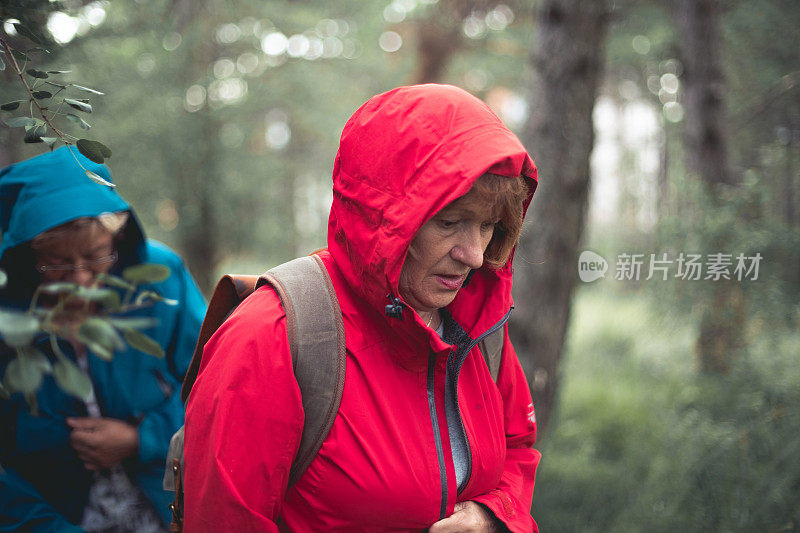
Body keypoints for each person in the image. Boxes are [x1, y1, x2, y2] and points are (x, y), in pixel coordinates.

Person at [184, 83, 541, 532]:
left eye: (488, 226)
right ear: (384, 215)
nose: (473, 254)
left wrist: (493, 517)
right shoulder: (273, 333)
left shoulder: (476, 323)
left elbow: (518, 449)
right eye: (450, 223)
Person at [0, 146, 206, 532]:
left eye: (96, 256)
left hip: (168, 509)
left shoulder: (161, 279)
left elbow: (214, 391)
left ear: (118, 241)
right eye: (58, 263)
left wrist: (142, 439)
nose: (80, 278)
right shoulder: (9, 319)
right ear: (27, 257)